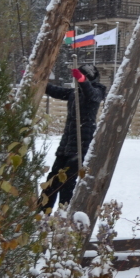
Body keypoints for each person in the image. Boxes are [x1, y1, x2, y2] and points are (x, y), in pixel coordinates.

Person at [40, 64, 107, 212]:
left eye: (83, 77)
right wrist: (39, 78)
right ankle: (42, 213)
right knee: (52, 179)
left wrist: (83, 80)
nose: (78, 81)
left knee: (68, 182)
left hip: (82, 143)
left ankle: (64, 214)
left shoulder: (99, 90)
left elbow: (91, 94)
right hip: (66, 145)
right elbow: (53, 90)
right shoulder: (73, 93)